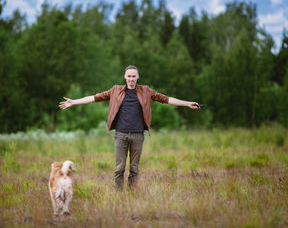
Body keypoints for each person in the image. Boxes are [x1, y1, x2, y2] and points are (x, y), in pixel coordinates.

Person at [59, 65, 201, 191]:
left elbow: (167, 99)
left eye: (134, 76)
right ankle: (119, 195)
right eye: (129, 76)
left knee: (134, 168)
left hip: (138, 135)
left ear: (137, 77)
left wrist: (187, 103)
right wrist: (74, 102)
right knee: (119, 168)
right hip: (120, 135)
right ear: (125, 77)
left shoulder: (146, 91)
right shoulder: (115, 90)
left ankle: (133, 193)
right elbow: (94, 97)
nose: (131, 79)